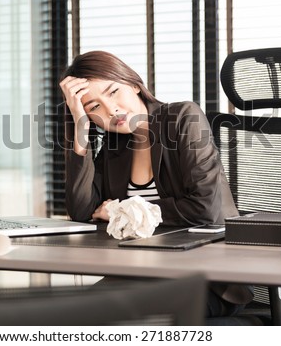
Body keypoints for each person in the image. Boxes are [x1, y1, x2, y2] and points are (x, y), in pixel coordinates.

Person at [59, 50, 254, 318]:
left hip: (207, 278)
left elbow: (205, 210)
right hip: (143, 273)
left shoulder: (183, 117)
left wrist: (120, 212)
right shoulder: (114, 148)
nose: (111, 110)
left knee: (108, 317)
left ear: (134, 85)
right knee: (69, 312)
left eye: (113, 92)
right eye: (94, 107)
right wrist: (80, 131)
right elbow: (83, 213)